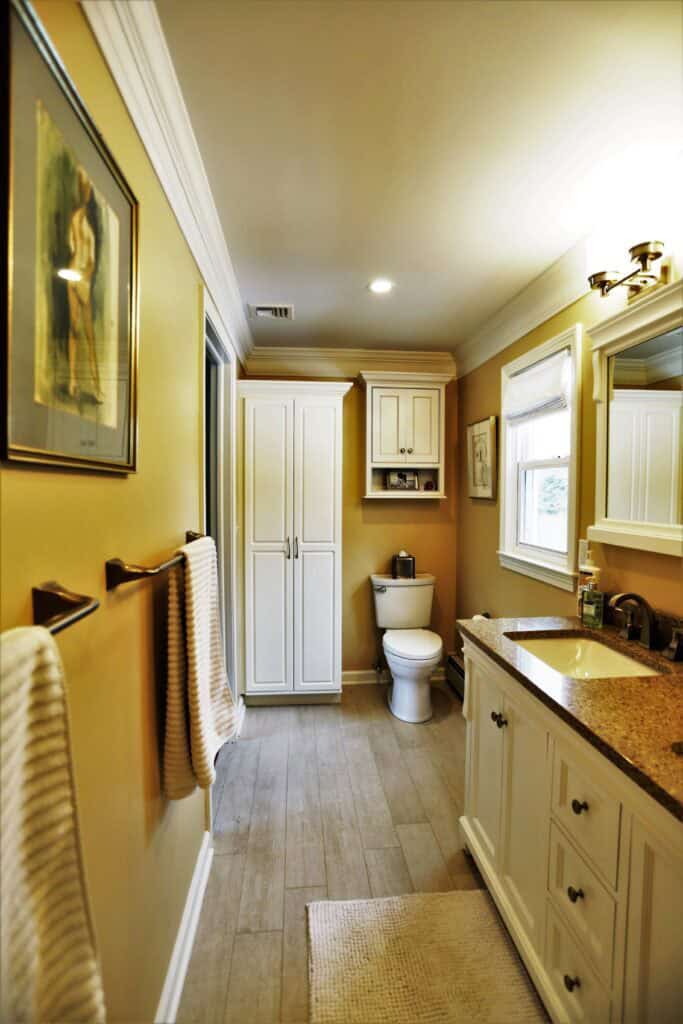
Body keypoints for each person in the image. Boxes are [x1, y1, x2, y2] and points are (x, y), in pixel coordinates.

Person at [66, 166, 102, 403]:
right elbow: (75, 250)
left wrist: (86, 278)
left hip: (83, 279)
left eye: (87, 187)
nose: (85, 190)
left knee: (88, 334)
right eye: (83, 186)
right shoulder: (77, 218)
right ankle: (73, 380)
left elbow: (91, 260)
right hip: (74, 276)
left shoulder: (90, 220)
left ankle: (96, 386)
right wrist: (79, 276)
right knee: (75, 329)